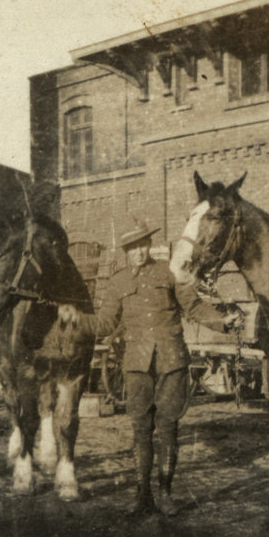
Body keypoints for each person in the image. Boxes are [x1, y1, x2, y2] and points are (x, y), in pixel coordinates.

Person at [58, 220, 242, 515]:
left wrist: (223, 321)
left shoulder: (169, 273)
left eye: (142, 246)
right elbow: (105, 324)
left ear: (149, 245)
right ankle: (143, 495)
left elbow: (193, 307)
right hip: (137, 366)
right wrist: (77, 318)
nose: (139, 252)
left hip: (171, 362)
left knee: (168, 428)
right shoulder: (118, 281)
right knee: (141, 430)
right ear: (126, 251)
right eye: (132, 248)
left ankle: (166, 494)